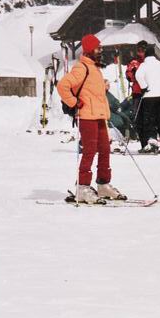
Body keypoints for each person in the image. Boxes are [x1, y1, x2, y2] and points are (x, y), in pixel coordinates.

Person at [57, 33, 125, 204]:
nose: (100, 51)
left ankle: (103, 184)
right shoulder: (81, 68)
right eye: (97, 48)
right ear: (88, 50)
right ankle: (82, 188)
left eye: (100, 48)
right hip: (87, 116)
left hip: (99, 116)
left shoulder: (95, 68)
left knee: (105, 149)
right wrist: (74, 102)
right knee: (89, 151)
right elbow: (62, 85)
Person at [134, 44, 160, 154]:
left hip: (149, 96)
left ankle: (152, 142)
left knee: (149, 120)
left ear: (146, 54)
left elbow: (138, 76)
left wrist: (144, 87)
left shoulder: (144, 65)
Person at [126, 40, 147, 142]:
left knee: (148, 115)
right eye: (139, 50)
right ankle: (140, 135)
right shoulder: (134, 63)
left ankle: (150, 135)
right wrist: (133, 74)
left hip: (149, 93)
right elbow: (129, 76)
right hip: (137, 93)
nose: (140, 52)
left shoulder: (149, 62)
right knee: (137, 115)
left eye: (142, 50)